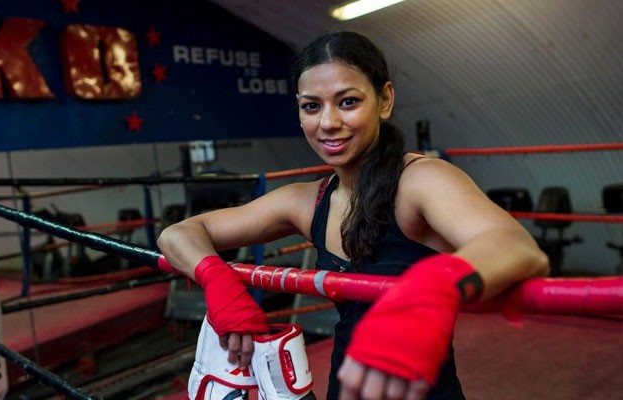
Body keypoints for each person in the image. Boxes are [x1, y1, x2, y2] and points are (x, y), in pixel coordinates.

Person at [157, 31, 549, 400]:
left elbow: (515, 246)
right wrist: (216, 278)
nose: (328, 123)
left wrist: (432, 288)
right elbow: (179, 233)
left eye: (348, 102)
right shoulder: (306, 201)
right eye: (312, 106)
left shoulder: (420, 181)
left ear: (385, 100)